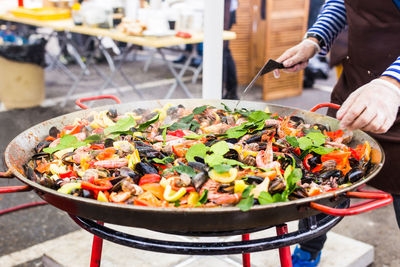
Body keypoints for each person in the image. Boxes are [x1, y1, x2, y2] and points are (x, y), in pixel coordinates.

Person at [273, 0, 400, 266]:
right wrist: (314, 40)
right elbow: (341, 3)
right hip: (353, 93)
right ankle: (308, 250)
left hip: (394, 101)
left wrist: (392, 84)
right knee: (320, 184)